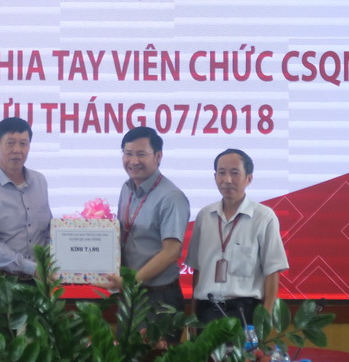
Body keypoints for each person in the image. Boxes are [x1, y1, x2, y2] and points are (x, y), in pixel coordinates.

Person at [0, 117, 52, 340]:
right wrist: (31, 267)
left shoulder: (40, 181)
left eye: (23, 143)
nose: (17, 150)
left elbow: (47, 232)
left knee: (36, 352)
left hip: (35, 287)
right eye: (10, 143)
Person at [185, 149, 289, 325]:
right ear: (215, 177)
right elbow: (198, 269)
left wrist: (265, 317)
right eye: (221, 173)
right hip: (207, 311)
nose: (227, 180)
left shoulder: (264, 217)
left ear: (249, 178)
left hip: (244, 313)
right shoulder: (204, 216)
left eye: (235, 173)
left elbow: (272, 271)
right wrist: (193, 314)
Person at [106, 127, 190, 343]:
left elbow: (171, 252)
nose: (133, 161)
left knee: (154, 360)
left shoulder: (171, 197)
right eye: (128, 153)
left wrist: (130, 282)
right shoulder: (127, 189)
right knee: (126, 357)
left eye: (141, 154)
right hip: (132, 294)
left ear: (158, 156)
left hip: (159, 298)